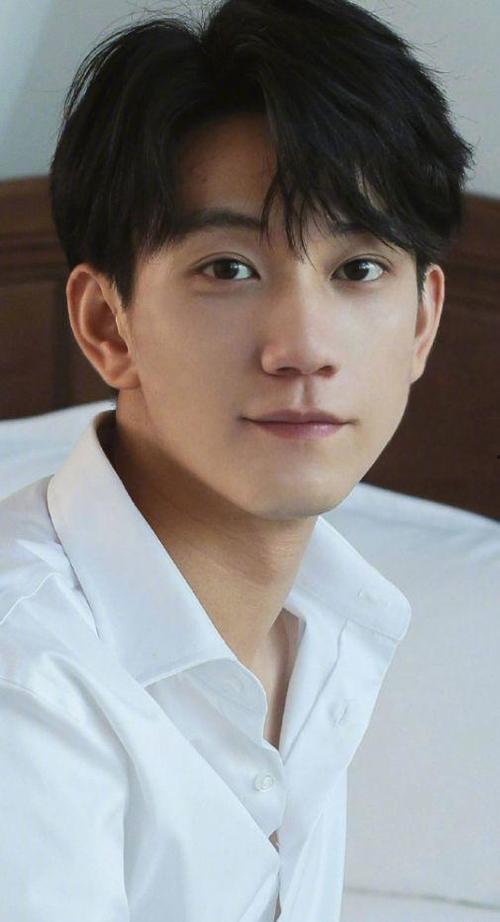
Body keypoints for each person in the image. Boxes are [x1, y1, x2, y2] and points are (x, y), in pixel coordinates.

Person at [0, 1, 474, 920]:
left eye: (358, 269)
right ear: (108, 326)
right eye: (228, 268)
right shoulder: (28, 681)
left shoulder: (332, 624)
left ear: (422, 322)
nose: (304, 348)